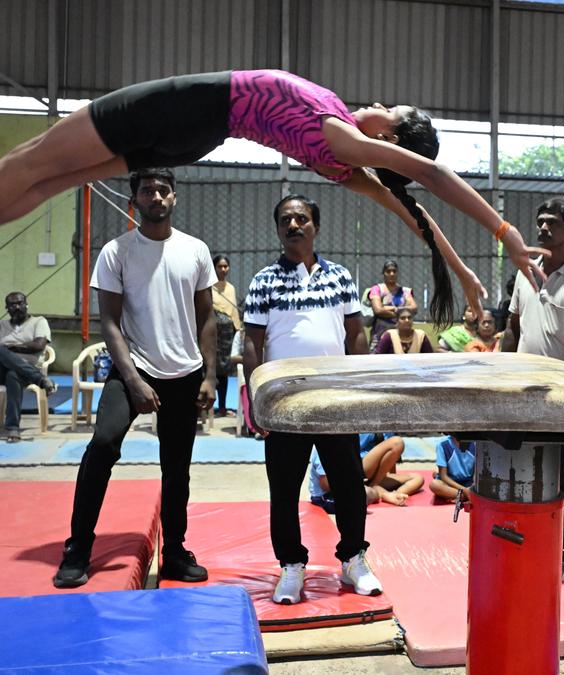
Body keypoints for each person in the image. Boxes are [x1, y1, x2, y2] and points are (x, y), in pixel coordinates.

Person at [0, 70, 550, 328]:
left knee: (31, 160)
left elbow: (430, 185)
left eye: (388, 114)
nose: (377, 107)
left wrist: (506, 231)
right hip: (194, 133)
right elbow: (423, 218)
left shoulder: (346, 140)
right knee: (49, 178)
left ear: (392, 137)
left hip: (190, 107)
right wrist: (468, 273)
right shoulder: (348, 166)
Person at [54, 168, 217, 589]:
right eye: (147, 190)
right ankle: (77, 549)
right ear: (135, 201)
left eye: (163, 190)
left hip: (185, 372)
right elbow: (108, 321)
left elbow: (207, 318)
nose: (156, 196)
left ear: (174, 198)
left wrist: (209, 375)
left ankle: (176, 551)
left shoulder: (195, 250)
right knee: (103, 444)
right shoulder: (117, 251)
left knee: (176, 466)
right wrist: (133, 380)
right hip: (133, 369)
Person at [242, 194, 380, 605]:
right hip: (285, 402)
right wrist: (256, 399)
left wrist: (361, 387)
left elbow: (356, 333)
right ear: (278, 228)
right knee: (283, 490)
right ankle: (291, 566)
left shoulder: (340, 276)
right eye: (286, 219)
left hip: (335, 398)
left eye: (302, 218)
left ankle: (354, 559)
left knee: (349, 486)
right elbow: (253, 344)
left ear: (315, 226)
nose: (294, 225)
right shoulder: (263, 281)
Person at [498, 196, 564, 580]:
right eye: (540, 221)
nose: (543, 228)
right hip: (521, 390)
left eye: (552, 223)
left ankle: (556, 552)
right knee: (516, 466)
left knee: (559, 474)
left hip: (561, 394)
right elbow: (511, 327)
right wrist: (499, 376)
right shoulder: (526, 272)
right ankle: (514, 540)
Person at [0, 292, 58, 442]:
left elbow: (38, 345)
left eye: (20, 303)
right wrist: (6, 354)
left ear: (26, 305)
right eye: (12, 305)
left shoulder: (38, 322)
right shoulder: (0, 326)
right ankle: (42, 380)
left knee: (13, 374)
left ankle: (13, 428)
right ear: (7, 308)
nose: (17, 307)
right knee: (0, 351)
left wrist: (12, 349)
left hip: (25, 373)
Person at [211, 254, 242, 417]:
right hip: (212, 335)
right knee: (210, 370)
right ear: (213, 268)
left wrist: (239, 329)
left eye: (226, 266)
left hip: (227, 335)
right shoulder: (207, 287)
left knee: (224, 370)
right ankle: (206, 408)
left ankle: (222, 408)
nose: (223, 269)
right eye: (220, 266)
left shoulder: (230, 288)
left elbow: (233, 311)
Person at [367, 259, 417, 351]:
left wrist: (388, 308)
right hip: (380, 334)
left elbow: (414, 308)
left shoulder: (405, 291)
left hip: (401, 336)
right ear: (383, 273)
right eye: (388, 271)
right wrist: (401, 313)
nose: (391, 274)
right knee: (375, 360)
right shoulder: (377, 289)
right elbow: (378, 310)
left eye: (394, 271)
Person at [428, 434, 476, 503]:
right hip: (450, 483)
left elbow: (477, 472)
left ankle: (460, 496)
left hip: (470, 483)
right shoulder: (442, 444)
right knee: (434, 484)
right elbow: (443, 476)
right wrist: (464, 490)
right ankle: (465, 496)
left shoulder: (476, 443)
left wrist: (473, 487)